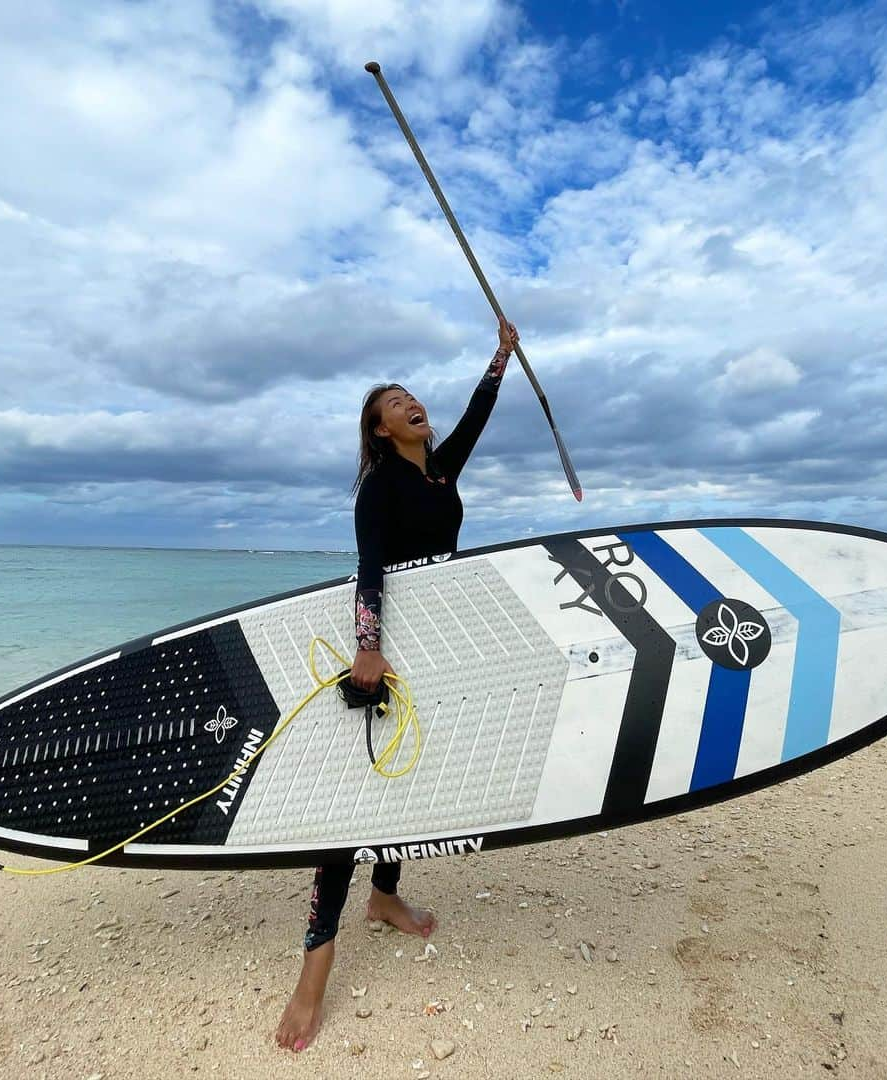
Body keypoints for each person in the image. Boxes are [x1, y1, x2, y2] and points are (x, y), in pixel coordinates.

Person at [274, 314, 519, 1051]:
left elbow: (477, 414)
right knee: (355, 798)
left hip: (441, 638)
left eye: (414, 396)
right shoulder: (379, 486)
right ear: (380, 430)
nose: (412, 403)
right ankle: (314, 971)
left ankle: (383, 899)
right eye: (395, 403)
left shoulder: (441, 469)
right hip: (389, 640)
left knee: (409, 779)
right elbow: (370, 566)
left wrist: (499, 359)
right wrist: (368, 646)